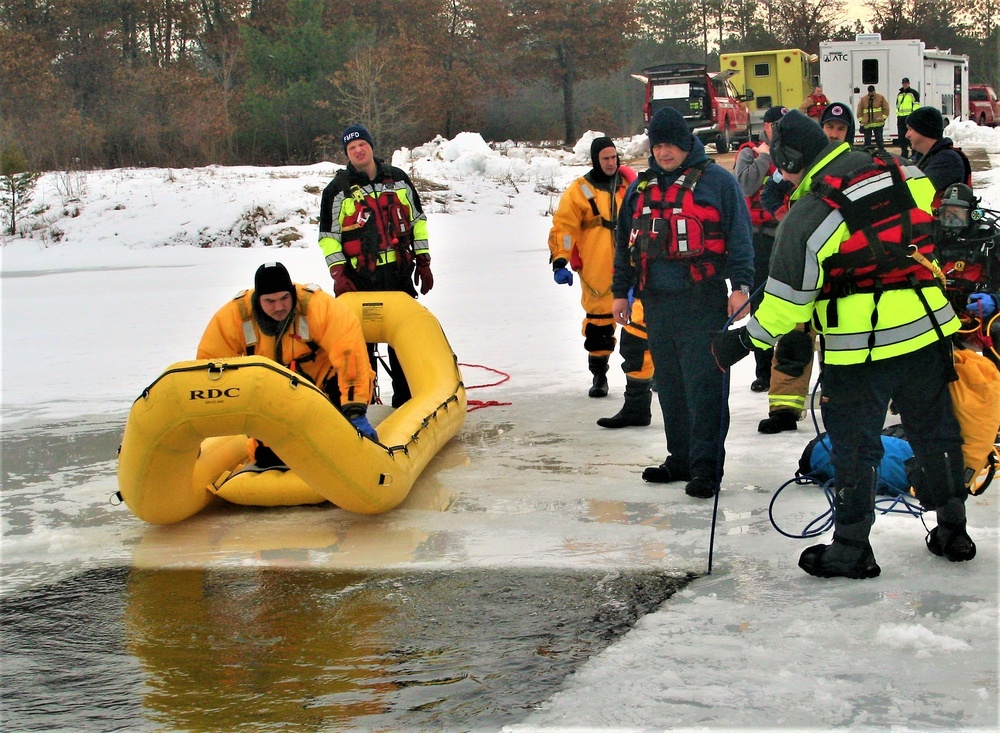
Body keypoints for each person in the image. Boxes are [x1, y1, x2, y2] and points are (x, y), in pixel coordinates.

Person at [712, 110, 975, 578]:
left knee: (855, 447)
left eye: (777, 159)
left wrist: (741, 343)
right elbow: (933, 221)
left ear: (793, 157)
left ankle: (851, 548)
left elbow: (787, 305)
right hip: (927, 328)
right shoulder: (901, 169)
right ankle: (953, 529)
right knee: (934, 431)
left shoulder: (811, 211)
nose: (775, 170)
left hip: (861, 350)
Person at [612, 106, 754, 499]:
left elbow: (741, 239)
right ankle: (681, 458)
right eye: (657, 146)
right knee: (670, 386)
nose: (664, 152)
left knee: (705, 387)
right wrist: (618, 292)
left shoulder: (718, 183)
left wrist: (741, 286)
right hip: (655, 302)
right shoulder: (641, 190)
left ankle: (707, 467)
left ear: (687, 142)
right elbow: (624, 245)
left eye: (671, 144)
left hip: (702, 300)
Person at [197, 262, 378, 465]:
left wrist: (355, 410)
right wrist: (203, 425)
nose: (279, 307)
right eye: (270, 301)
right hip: (274, 392)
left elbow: (349, 355)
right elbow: (209, 371)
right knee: (266, 457)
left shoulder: (317, 306)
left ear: (293, 292)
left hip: (322, 386)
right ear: (258, 299)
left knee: (340, 442)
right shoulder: (236, 316)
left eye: (284, 298)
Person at [318, 124, 432, 408]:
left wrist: (423, 260)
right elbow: (328, 237)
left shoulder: (399, 179)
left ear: (370, 146)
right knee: (359, 347)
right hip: (359, 279)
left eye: (362, 144)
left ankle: (406, 404)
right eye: (351, 147)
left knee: (401, 342)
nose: (358, 150)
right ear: (347, 153)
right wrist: (338, 273)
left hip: (398, 274)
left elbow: (417, 222)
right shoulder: (336, 191)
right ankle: (361, 405)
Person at [548, 137, 654, 423]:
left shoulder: (629, 186)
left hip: (630, 266)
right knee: (599, 326)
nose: (611, 163)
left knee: (642, 325)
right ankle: (599, 376)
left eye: (614, 158)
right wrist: (560, 258)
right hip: (597, 269)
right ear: (596, 160)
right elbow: (565, 226)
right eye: (605, 158)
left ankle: (646, 377)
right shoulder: (580, 190)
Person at [733, 105, 788, 394]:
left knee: (789, 303)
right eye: (774, 124)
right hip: (757, 238)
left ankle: (788, 372)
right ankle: (763, 370)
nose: (779, 129)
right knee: (762, 307)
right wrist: (765, 156)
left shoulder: (793, 154)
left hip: (784, 237)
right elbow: (745, 185)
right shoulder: (749, 153)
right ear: (765, 126)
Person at [905, 106, 973, 195]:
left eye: (910, 129)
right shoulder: (922, 157)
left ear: (924, 131)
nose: (907, 135)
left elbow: (918, 191)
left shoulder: (948, 160)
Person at [856, 85, 889, 151]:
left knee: (879, 139)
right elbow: (859, 111)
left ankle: (881, 151)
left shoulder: (880, 98)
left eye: (872, 91)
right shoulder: (863, 99)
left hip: (878, 123)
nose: (871, 93)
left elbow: (886, 109)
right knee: (867, 140)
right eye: (870, 91)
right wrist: (861, 121)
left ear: (874, 91)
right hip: (867, 124)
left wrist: (883, 118)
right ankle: (867, 152)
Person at [895, 77, 920, 158]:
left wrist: (913, 116)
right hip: (900, 118)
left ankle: (914, 153)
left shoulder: (913, 93)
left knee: (911, 135)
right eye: (903, 83)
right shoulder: (900, 94)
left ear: (909, 84)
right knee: (902, 136)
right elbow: (897, 105)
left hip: (909, 118)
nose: (905, 84)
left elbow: (916, 105)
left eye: (906, 83)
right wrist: (898, 114)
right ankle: (904, 152)